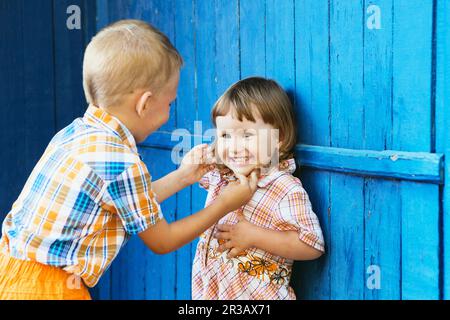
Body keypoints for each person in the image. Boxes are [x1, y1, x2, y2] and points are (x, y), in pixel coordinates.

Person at [0, 20, 258, 300]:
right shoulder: (121, 160)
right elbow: (163, 240)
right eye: (169, 103)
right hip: (50, 290)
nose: (169, 112)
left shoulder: (75, 133)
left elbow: (128, 202)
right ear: (145, 103)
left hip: (11, 271)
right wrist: (225, 204)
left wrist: (184, 176)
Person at [192, 77, 325, 300]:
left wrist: (254, 236)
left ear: (279, 138)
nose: (233, 147)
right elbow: (198, 172)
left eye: (246, 135)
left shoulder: (283, 188)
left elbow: (312, 245)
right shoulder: (224, 176)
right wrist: (198, 158)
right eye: (225, 135)